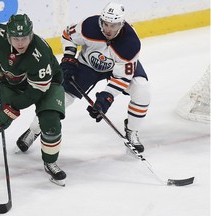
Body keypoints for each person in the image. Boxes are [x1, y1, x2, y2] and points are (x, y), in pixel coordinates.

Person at [17, 2, 150, 154]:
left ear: (121, 24)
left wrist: (106, 98)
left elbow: (122, 78)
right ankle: (34, 130)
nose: (108, 29)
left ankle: (132, 131)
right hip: (87, 66)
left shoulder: (130, 44)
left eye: (113, 26)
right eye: (105, 24)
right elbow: (68, 36)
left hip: (118, 67)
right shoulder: (89, 26)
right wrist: (69, 58)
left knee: (142, 89)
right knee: (60, 99)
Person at [0, 14, 66, 186]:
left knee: (50, 122)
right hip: (12, 82)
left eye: (25, 38)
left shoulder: (39, 53)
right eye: (16, 38)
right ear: (7, 36)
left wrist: (12, 108)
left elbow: (36, 92)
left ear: (31, 35)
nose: (20, 43)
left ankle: (50, 162)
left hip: (46, 85)